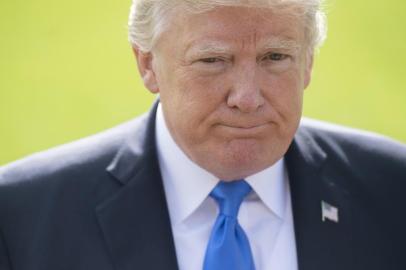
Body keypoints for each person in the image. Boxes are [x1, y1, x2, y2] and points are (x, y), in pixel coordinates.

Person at [1, 0, 406, 269]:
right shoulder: (22, 216)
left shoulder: (393, 191)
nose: (247, 98)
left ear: (308, 63)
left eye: (275, 57)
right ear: (147, 64)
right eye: (213, 60)